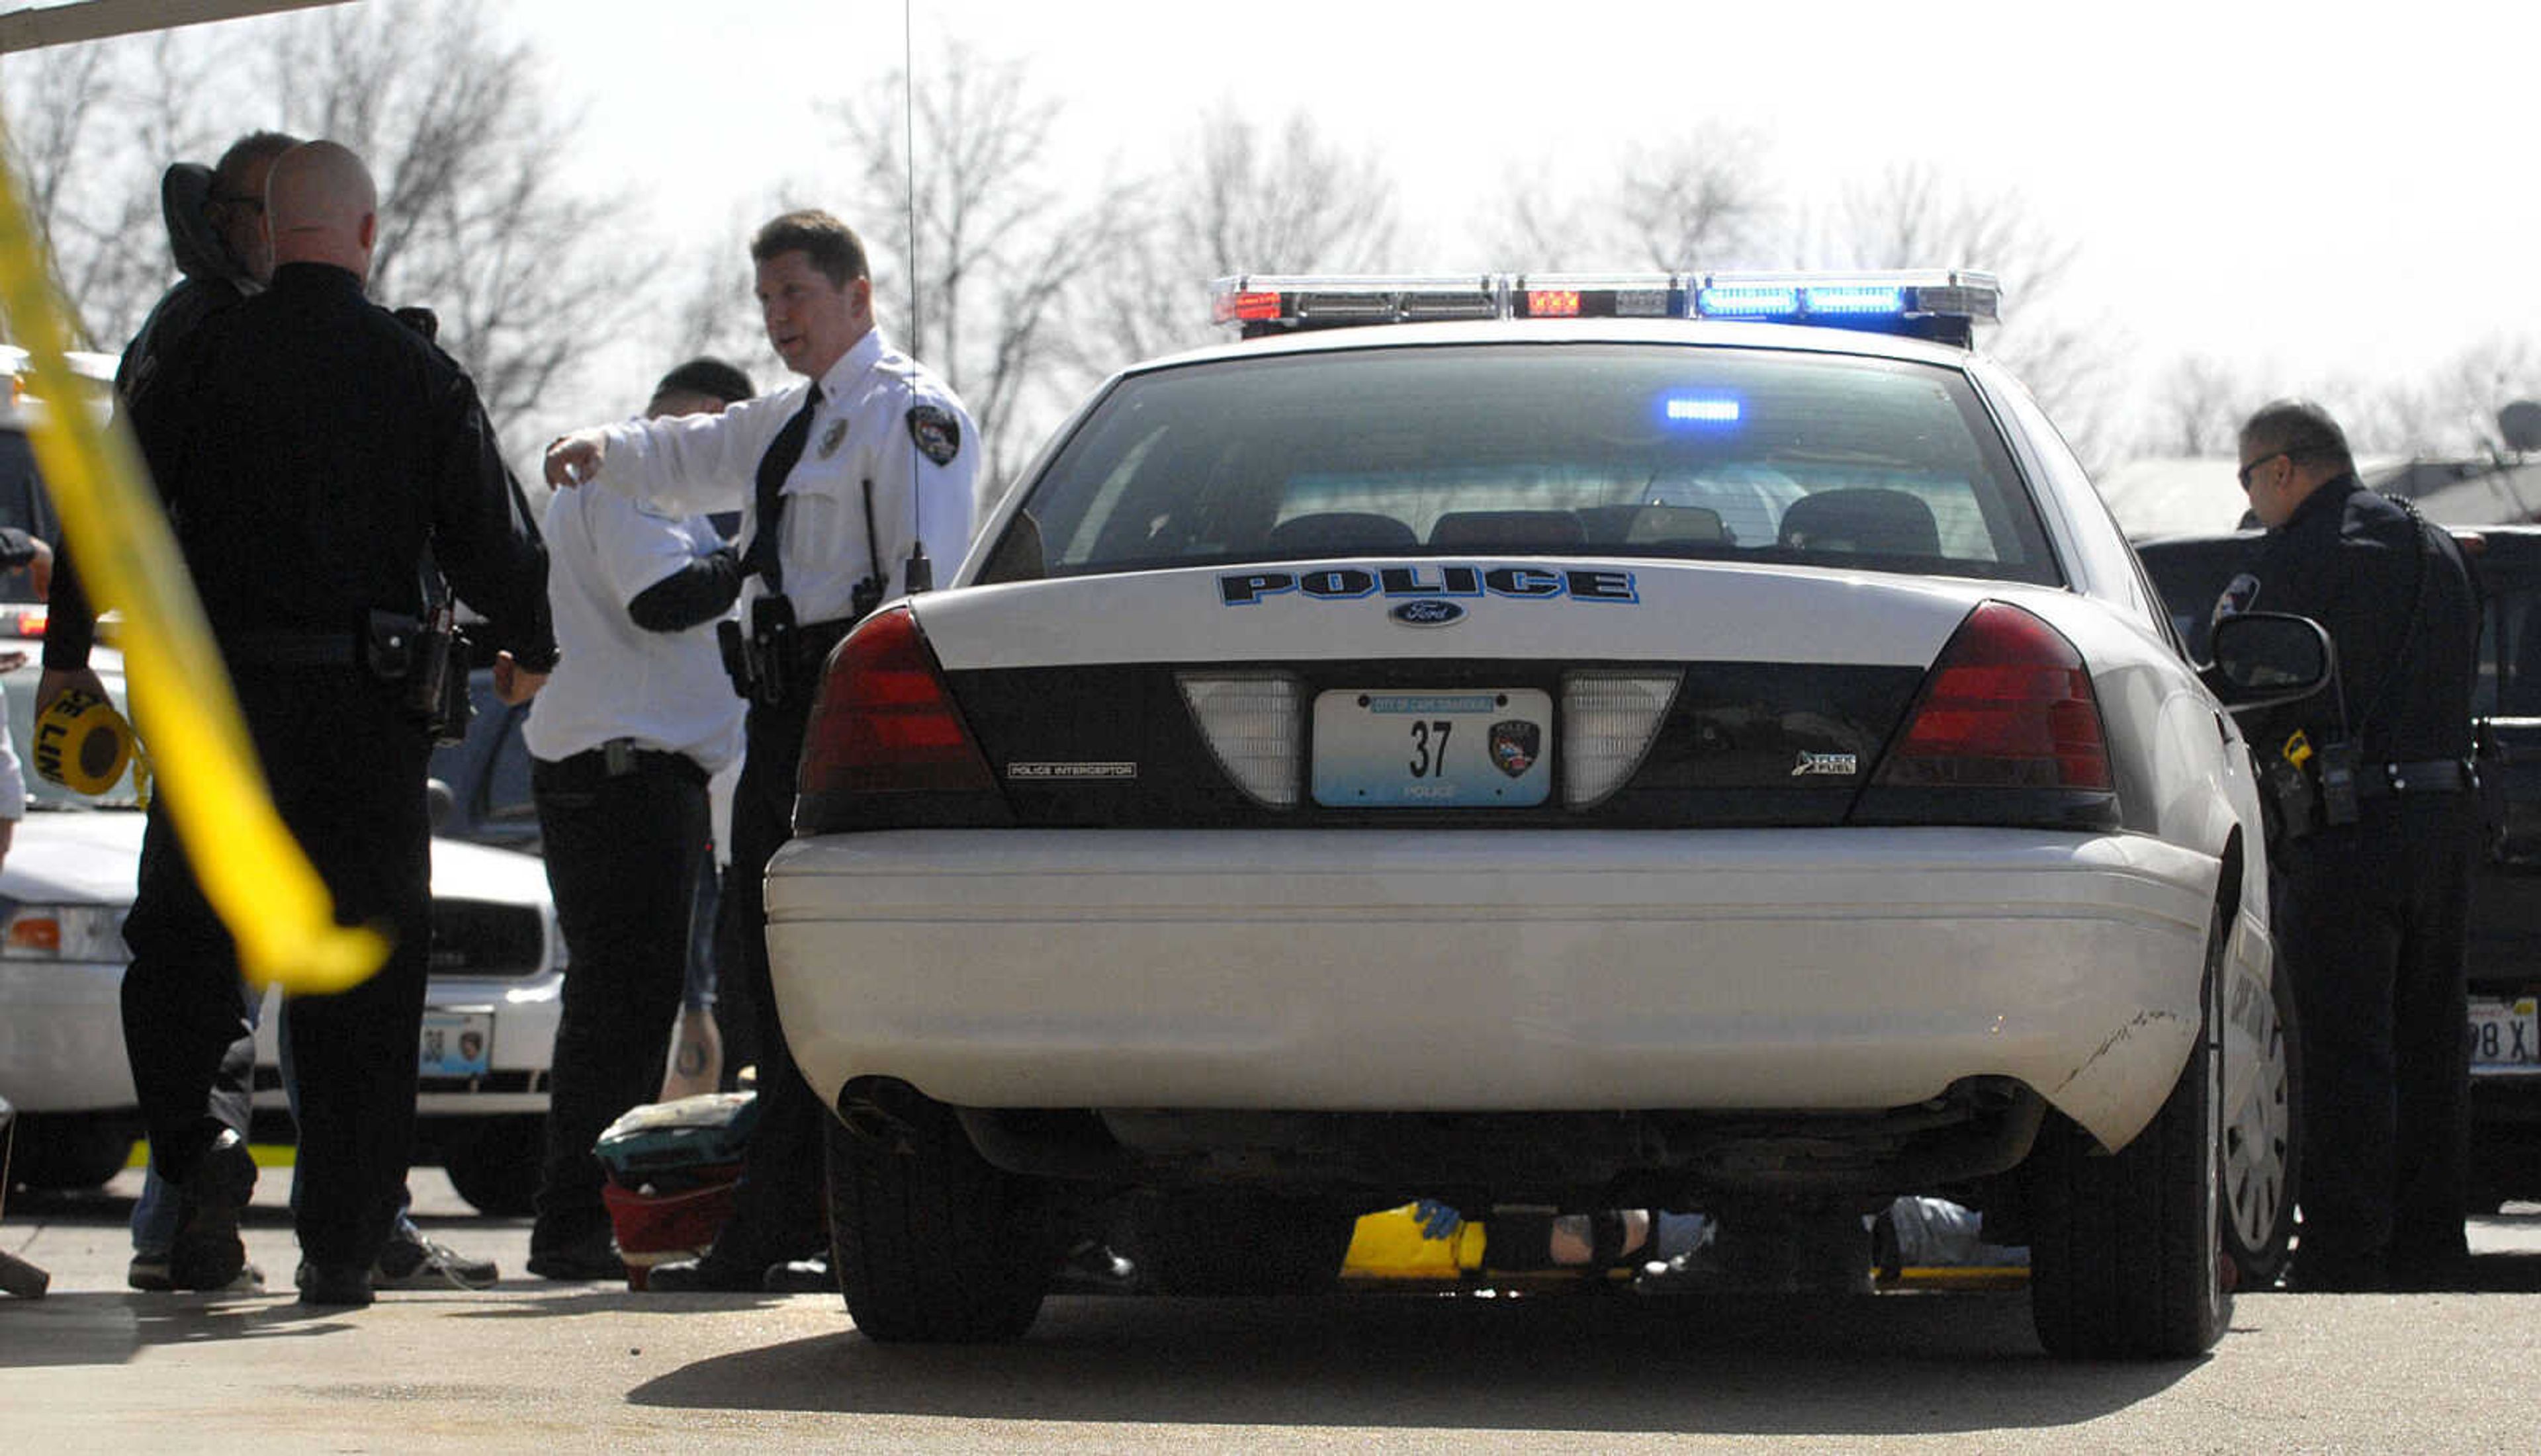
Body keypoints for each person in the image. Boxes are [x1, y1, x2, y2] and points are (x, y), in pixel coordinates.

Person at [38, 140, 555, 1308]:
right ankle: (338, 1243)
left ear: (267, 227)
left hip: (220, 711)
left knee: (184, 947)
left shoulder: (201, 351)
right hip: (368, 720)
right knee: (363, 984)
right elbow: (492, 542)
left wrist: (70, 656)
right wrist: (535, 640)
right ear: (367, 235)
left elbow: (108, 511)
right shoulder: (419, 374)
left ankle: (202, 1154)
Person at [545, 209, 979, 1292]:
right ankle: (776, 1215)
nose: (780, 318)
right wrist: (608, 447)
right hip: (778, 714)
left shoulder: (909, 414)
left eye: (797, 295)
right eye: (767, 301)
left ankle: (831, 1216)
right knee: (769, 972)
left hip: (853, 701)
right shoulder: (793, 418)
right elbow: (698, 449)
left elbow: (928, 584)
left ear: (858, 295)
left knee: (842, 972)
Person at [2219, 400, 2481, 1292]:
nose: (2255, 501)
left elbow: (2235, 681)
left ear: (2284, 468)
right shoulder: (2436, 547)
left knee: (2342, 1045)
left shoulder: (2295, 557)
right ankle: (2432, 1245)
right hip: (2443, 829)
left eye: (2251, 480)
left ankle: (2345, 1247)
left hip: (2346, 832)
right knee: (2433, 1042)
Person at [524, 357, 753, 1283]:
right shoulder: (624, 482)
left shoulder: (642, 493)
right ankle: (570, 1224)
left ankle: (582, 1220)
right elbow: (665, 600)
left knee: (625, 1008)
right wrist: (756, 552)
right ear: (697, 421)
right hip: (618, 776)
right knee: (619, 1012)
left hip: (638, 774)